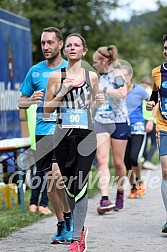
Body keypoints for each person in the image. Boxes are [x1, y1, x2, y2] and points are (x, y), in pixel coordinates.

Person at [44, 33, 105, 252]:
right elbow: (47, 109)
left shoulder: (92, 77)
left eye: (76, 45)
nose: (72, 48)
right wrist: (61, 91)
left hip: (85, 136)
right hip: (62, 136)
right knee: (69, 187)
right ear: (64, 49)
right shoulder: (56, 76)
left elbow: (96, 105)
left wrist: (99, 101)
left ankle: (77, 238)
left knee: (79, 185)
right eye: (68, 45)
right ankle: (80, 228)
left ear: (83, 51)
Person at [18, 27, 73, 244]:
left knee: (58, 177)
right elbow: (20, 101)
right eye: (43, 43)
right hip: (42, 131)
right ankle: (62, 222)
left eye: (50, 42)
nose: (46, 47)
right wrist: (30, 101)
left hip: (64, 132)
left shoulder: (70, 70)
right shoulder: (35, 71)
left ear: (60, 44)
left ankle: (69, 218)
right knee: (50, 182)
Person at [92, 45, 130, 214]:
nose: (94, 65)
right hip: (101, 121)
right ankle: (105, 198)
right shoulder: (98, 78)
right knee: (101, 160)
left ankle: (120, 192)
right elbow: (94, 102)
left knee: (118, 163)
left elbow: (122, 94)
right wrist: (96, 101)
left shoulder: (118, 74)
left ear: (104, 60)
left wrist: (104, 89)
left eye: (95, 62)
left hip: (119, 121)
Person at [146, 34, 167, 233]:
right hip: (164, 125)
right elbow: (155, 94)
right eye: (166, 47)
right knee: (166, 170)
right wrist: (151, 102)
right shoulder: (156, 72)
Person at [124, 66, 150, 198]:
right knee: (126, 162)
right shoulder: (118, 91)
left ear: (130, 76)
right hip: (123, 128)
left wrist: (151, 119)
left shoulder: (139, 90)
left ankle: (139, 182)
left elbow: (152, 102)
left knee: (134, 158)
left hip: (138, 127)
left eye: (125, 75)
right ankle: (133, 187)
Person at [142, 76, 159, 170]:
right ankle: (147, 161)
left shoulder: (141, 92)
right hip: (152, 119)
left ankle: (144, 160)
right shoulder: (152, 92)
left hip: (143, 119)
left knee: (144, 142)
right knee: (154, 142)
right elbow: (156, 104)